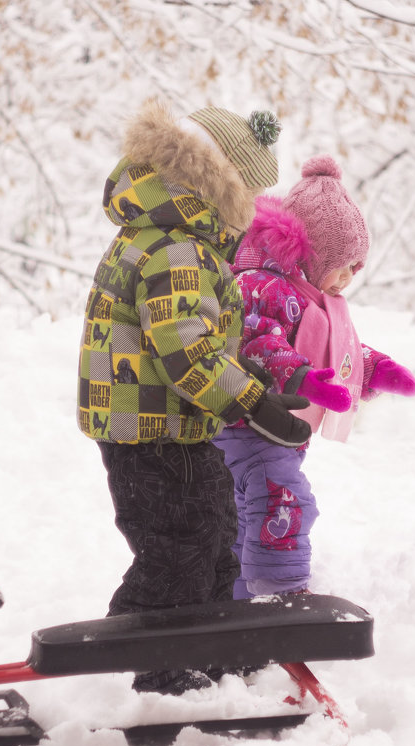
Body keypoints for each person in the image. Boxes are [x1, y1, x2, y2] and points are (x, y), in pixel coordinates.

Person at [76, 100, 312, 694]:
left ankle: (216, 648)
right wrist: (250, 402)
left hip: (168, 425)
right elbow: (183, 348)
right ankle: (144, 666)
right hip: (151, 433)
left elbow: (196, 335)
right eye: (248, 199)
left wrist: (257, 381)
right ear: (224, 187)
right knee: (177, 550)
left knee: (215, 529)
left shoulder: (165, 232)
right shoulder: (177, 247)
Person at [214, 155, 415, 600]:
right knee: (283, 504)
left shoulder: (305, 296)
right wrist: (303, 379)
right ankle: (279, 592)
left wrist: (375, 369)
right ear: (309, 254)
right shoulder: (259, 285)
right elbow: (258, 342)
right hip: (246, 425)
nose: (348, 278)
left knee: (245, 515)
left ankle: (233, 594)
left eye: (356, 268)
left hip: (269, 431)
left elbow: (336, 352)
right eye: (341, 264)